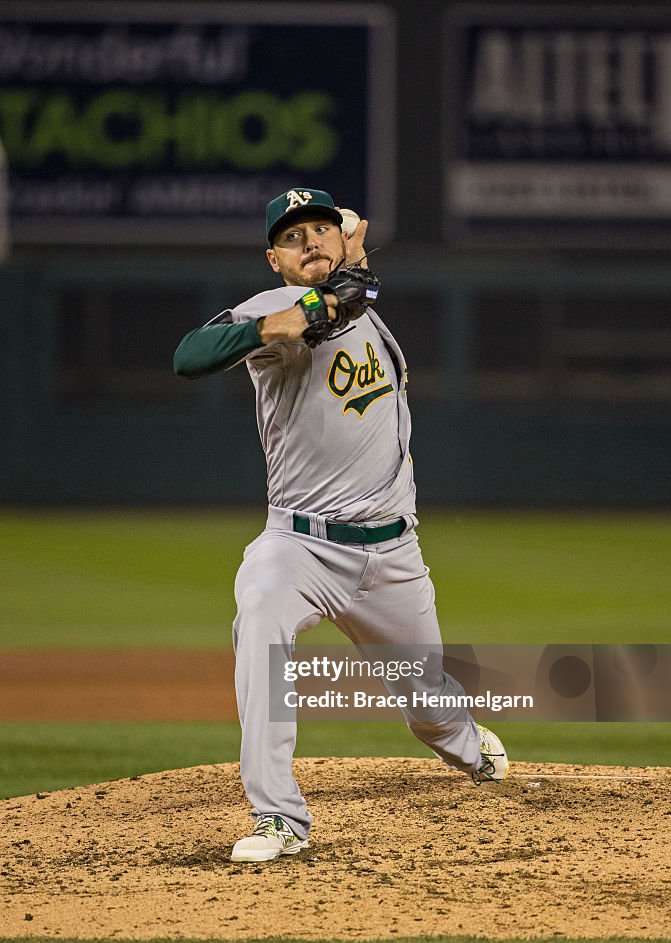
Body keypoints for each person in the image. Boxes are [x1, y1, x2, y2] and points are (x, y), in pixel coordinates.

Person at [174, 188, 509, 864]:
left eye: (320, 230)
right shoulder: (271, 309)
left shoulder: (357, 303)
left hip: (392, 553)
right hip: (298, 546)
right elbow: (189, 355)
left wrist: (346, 257)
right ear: (273, 259)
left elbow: (346, 293)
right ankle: (278, 817)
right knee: (259, 620)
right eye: (293, 238)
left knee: (428, 706)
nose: (311, 242)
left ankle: (470, 747)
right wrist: (270, 326)